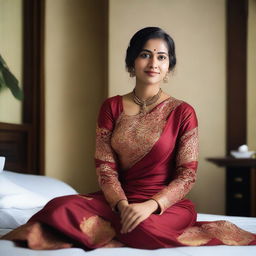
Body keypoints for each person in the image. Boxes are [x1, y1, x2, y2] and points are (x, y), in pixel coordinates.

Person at [2, 26, 256, 250]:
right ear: (132, 61)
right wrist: (122, 205)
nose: (153, 63)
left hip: (164, 206)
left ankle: (103, 228)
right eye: (145, 54)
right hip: (115, 201)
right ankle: (113, 223)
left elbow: (187, 174)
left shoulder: (183, 112)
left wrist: (150, 206)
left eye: (161, 57)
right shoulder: (111, 107)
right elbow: (105, 166)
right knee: (58, 207)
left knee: (144, 228)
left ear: (169, 65)